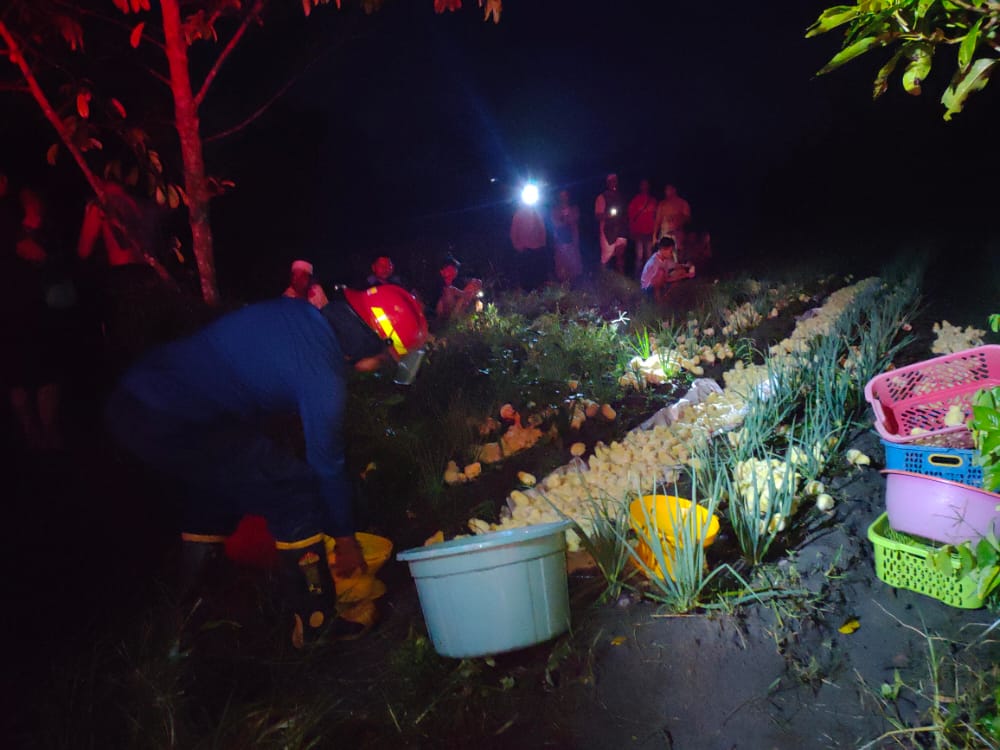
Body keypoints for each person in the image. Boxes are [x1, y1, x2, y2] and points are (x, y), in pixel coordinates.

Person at [104, 283, 429, 648]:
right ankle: (316, 623)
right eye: (386, 358)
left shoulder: (298, 315)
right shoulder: (324, 377)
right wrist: (344, 537)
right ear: (368, 341)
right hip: (178, 419)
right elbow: (327, 466)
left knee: (214, 498)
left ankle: (183, 622)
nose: (379, 368)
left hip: (135, 401)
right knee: (296, 491)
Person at [2, 188, 77, 453]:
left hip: (23, 308)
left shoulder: (38, 226)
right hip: (25, 307)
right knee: (38, 374)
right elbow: (33, 254)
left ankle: (38, 433)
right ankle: (40, 433)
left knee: (23, 375)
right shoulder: (17, 226)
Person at [640, 236, 695, 303]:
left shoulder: (664, 259)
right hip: (648, 290)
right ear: (663, 249)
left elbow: (675, 265)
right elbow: (666, 280)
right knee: (661, 273)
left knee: (680, 272)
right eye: (671, 251)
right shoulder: (654, 262)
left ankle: (666, 298)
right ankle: (658, 302)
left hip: (659, 284)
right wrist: (687, 275)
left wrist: (686, 266)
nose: (672, 254)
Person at [509, 202, 548, 290]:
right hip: (525, 251)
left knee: (540, 278)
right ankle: (527, 298)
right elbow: (513, 233)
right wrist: (518, 247)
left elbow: (542, 230)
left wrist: (542, 245)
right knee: (526, 279)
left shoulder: (537, 213)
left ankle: (541, 299)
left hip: (537, 250)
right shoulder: (518, 214)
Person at [595, 173, 628, 273]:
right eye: (611, 181)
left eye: (615, 180)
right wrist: (609, 215)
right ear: (607, 183)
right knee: (606, 257)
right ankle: (603, 278)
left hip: (621, 230)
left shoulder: (621, 196)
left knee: (620, 255)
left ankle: (621, 278)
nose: (614, 183)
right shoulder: (602, 197)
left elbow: (625, 213)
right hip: (608, 231)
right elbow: (597, 215)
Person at [435, 254, 482, 322]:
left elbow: (476, 283)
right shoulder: (438, 283)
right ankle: (451, 321)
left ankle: (457, 320)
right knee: (449, 292)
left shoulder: (458, 281)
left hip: (456, 310)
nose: (454, 271)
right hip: (444, 313)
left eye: (455, 269)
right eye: (450, 269)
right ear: (442, 271)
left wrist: (475, 298)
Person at [627, 178, 658, 279]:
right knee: (639, 256)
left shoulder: (653, 201)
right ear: (640, 187)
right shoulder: (635, 200)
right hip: (639, 233)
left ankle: (648, 276)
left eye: (646, 185)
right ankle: (637, 276)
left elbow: (656, 217)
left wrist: (655, 233)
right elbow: (631, 217)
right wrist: (632, 230)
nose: (644, 187)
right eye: (642, 185)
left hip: (649, 232)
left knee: (649, 256)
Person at [550, 189, 582, 284]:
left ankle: (574, 285)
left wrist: (568, 218)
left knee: (574, 263)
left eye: (565, 196)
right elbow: (555, 223)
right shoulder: (555, 209)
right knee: (561, 264)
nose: (564, 198)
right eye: (561, 196)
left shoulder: (574, 208)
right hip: (560, 240)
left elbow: (575, 219)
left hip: (572, 239)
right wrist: (563, 219)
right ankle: (564, 286)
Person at [652, 184, 692, 252]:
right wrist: (654, 235)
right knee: (665, 254)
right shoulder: (662, 204)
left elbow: (688, 217)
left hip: (677, 233)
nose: (666, 191)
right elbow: (658, 220)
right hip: (665, 233)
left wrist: (679, 219)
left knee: (677, 254)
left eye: (668, 189)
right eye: (666, 190)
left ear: (674, 190)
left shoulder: (682, 203)